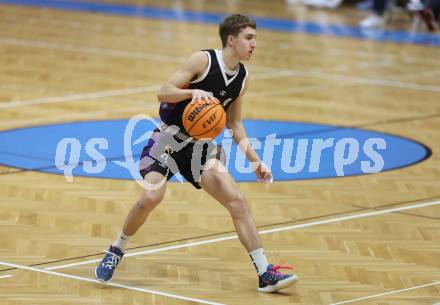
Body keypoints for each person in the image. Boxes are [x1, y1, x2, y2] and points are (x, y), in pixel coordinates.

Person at [95, 14, 298, 293]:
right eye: (249, 38)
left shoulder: (242, 77)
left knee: (237, 201)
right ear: (231, 39)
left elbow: (234, 123)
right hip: (167, 138)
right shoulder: (202, 61)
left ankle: (265, 273)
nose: (254, 45)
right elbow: (163, 92)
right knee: (150, 197)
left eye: (255, 39)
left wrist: (255, 161)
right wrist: (193, 94)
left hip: (200, 147)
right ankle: (117, 249)